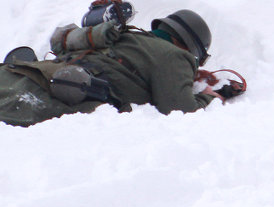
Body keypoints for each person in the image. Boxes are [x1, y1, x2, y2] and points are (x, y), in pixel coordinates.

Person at [0, 8, 241, 127]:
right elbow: (180, 109)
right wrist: (211, 97)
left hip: (29, 74)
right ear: (190, 47)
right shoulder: (176, 56)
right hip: (51, 98)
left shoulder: (124, 36)